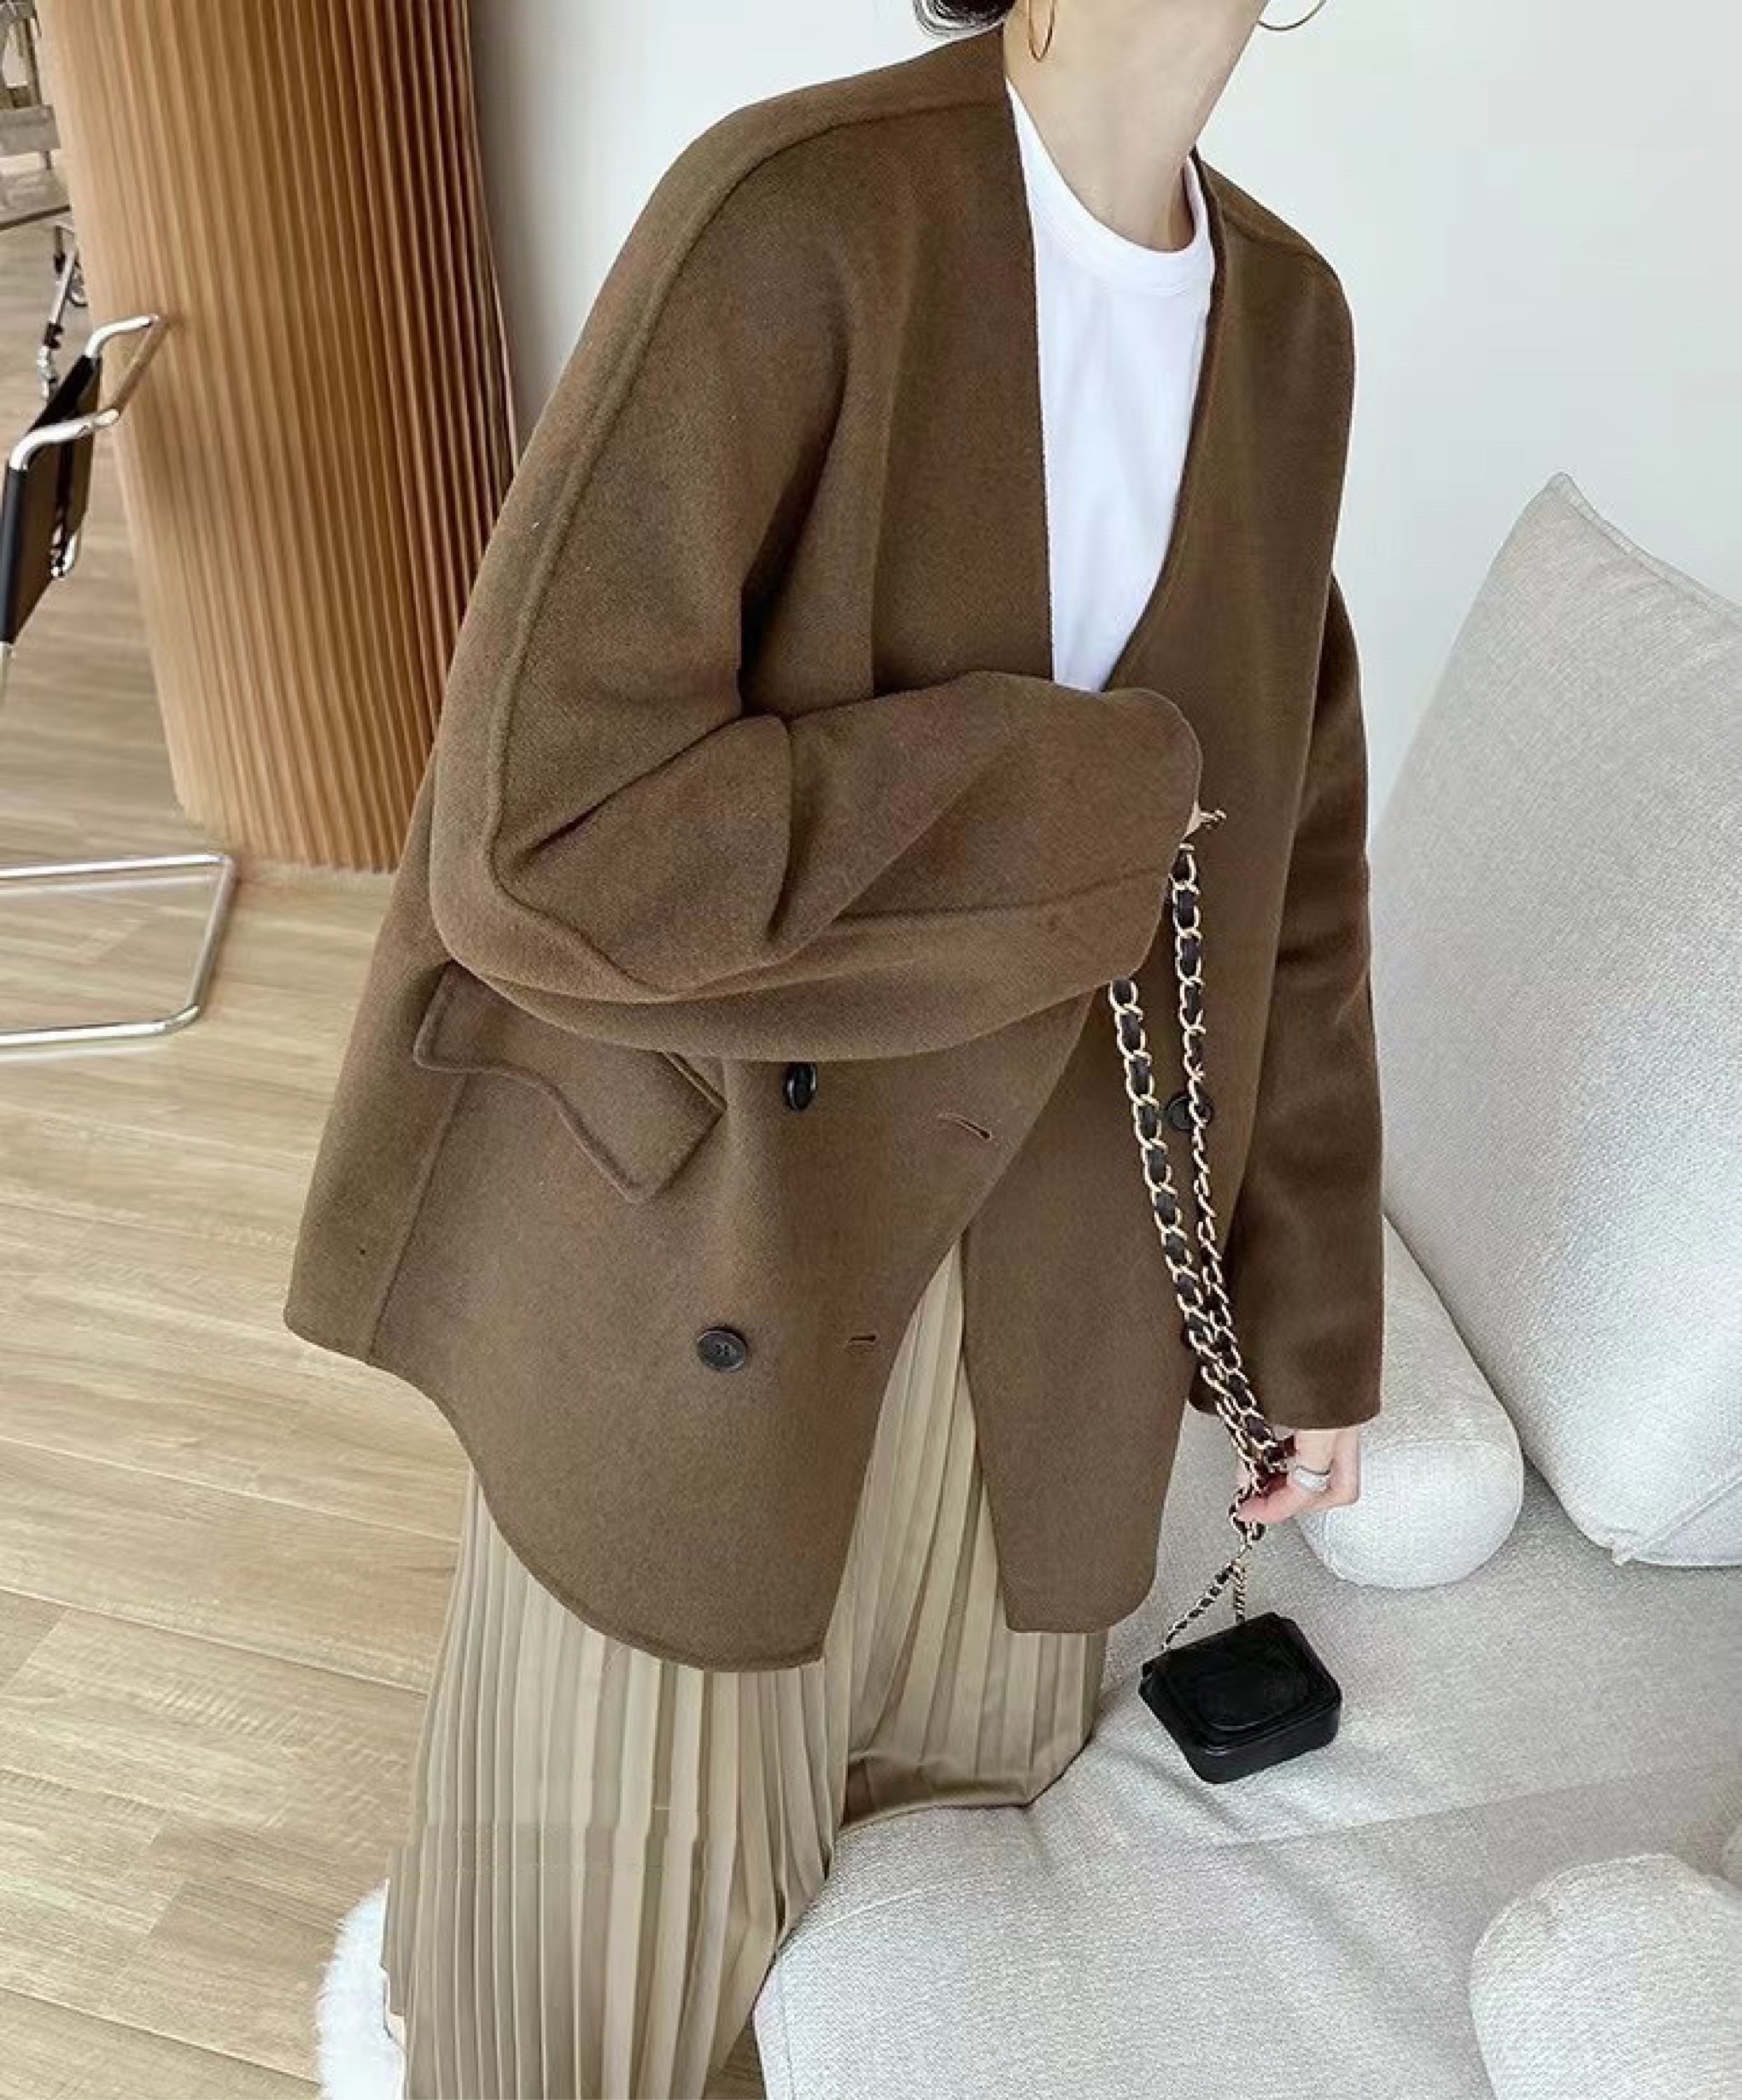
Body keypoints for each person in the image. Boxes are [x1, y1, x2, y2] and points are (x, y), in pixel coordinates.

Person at [285, 3, 1380, 2094]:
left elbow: (1290, 872)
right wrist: (1058, 801)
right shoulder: (792, 217)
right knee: (585, 2012)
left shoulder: (1296, 327)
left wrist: (1304, 1315)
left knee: (917, 1969)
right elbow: (543, 842)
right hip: (721, 1276)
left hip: (1058, 1326)